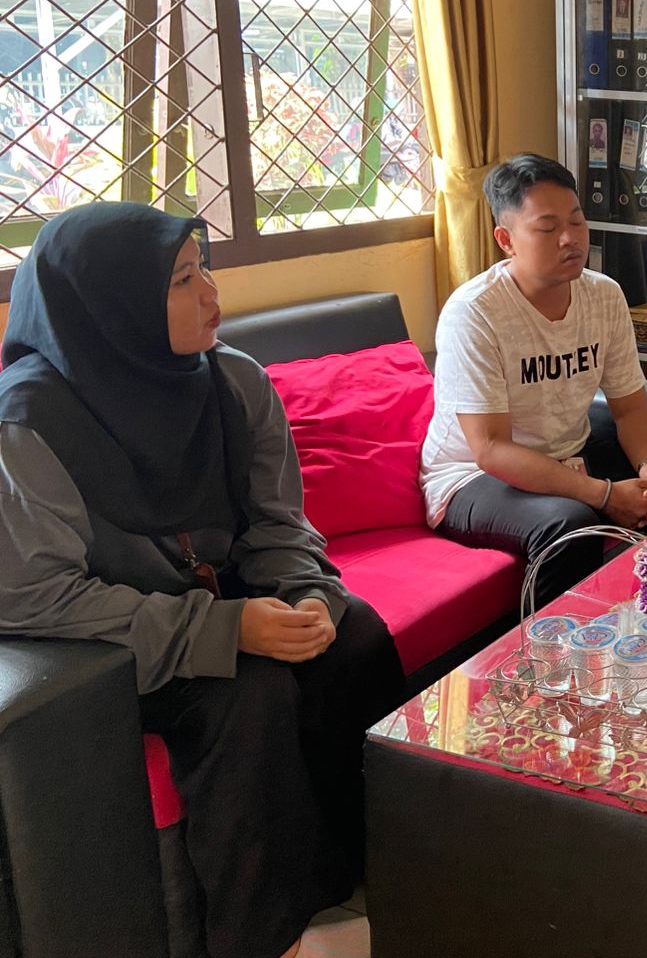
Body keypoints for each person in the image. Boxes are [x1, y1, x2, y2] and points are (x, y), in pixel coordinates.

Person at [0, 203, 404, 958]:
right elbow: (35, 596)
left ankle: (377, 871)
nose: (213, 295)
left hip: (227, 598)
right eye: (183, 280)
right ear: (112, 307)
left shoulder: (232, 379)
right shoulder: (28, 424)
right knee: (244, 694)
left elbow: (279, 523)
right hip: (112, 639)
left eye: (203, 269)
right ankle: (264, 938)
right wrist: (224, 629)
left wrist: (307, 594)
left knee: (355, 639)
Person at [423, 153, 647, 604]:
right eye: (547, 228)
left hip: (568, 454)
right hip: (472, 478)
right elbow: (491, 449)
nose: (570, 239)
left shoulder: (603, 295)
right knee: (570, 525)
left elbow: (630, 408)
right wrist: (603, 495)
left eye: (577, 221)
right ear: (506, 240)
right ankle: (550, 649)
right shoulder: (474, 313)